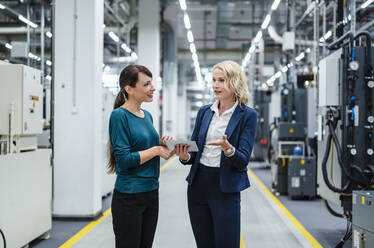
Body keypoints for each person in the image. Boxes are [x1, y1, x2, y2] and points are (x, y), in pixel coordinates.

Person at [175, 60, 258, 248]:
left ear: (234, 82)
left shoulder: (247, 115)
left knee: (227, 244)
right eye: (214, 80)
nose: (215, 85)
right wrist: (184, 155)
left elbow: (243, 160)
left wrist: (228, 149)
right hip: (198, 186)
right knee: (204, 244)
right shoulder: (205, 112)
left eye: (221, 80)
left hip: (225, 188)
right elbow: (194, 150)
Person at [107, 64, 174, 248]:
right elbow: (124, 160)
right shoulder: (119, 116)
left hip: (151, 193)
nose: (152, 88)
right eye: (146, 84)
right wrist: (156, 150)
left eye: (151, 83)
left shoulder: (147, 116)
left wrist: (162, 144)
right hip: (130, 197)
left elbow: (143, 147)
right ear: (129, 89)